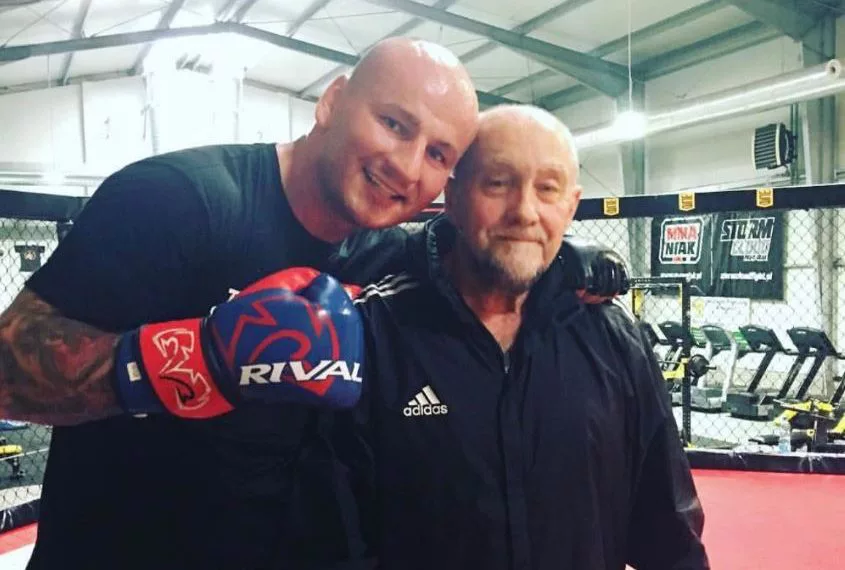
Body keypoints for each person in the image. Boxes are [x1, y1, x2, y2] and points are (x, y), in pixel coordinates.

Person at [0, 39, 628, 570]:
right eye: (394, 124)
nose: (406, 166)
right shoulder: (180, 201)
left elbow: (477, 249)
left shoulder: (384, 254)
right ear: (332, 102)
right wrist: (198, 360)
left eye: (438, 154)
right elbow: (7, 375)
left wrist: (555, 260)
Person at [352, 105, 710, 569]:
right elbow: (334, 540)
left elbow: (669, 536)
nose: (524, 211)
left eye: (547, 188)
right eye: (498, 183)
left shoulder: (616, 339)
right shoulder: (376, 333)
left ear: (571, 206)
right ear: (453, 197)